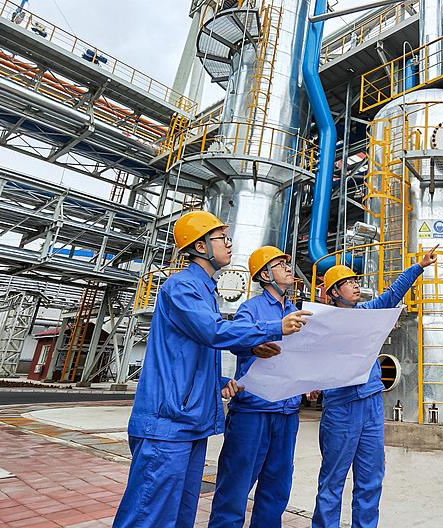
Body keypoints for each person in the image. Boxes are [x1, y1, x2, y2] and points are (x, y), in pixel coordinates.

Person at [113, 212, 311, 528]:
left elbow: (192, 357)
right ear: (201, 246)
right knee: (149, 516)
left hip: (191, 422)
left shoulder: (206, 291)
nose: (229, 244)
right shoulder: (182, 287)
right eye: (222, 238)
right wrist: (275, 327)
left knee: (180, 516)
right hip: (168, 423)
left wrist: (219, 381)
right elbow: (213, 332)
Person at [312, 246, 439, 528]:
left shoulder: (367, 312)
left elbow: (392, 294)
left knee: (370, 479)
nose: (355, 285)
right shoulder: (322, 323)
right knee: (333, 480)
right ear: (334, 293)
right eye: (347, 282)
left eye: (355, 280)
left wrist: (418, 267)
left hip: (370, 403)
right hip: (341, 406)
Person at [209, 245, 310, 528]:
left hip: (287, 412)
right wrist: (253, 347)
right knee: (236, 485)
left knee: (276, 488)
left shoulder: (296, 312)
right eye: (280, 265)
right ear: (265, 275)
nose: (288, 268)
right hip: (253, 411)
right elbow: (235, 340)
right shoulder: (250, 309)